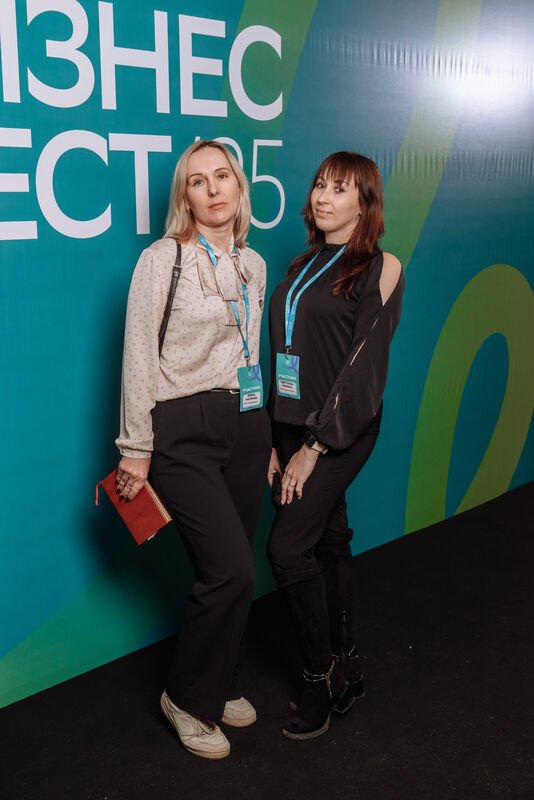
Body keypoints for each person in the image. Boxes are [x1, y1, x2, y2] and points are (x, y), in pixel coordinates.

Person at [115, 140, 271, 759]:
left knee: (231, 570)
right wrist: (136, 448)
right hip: (181, 428)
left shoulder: (253, 264)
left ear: (239, 186)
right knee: (231, 570)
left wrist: (262, 430)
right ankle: (184, 697)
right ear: (186, 195)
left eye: (223, 176)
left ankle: (221, 679)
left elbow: (250, 350)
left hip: (245, 425)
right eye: (198, 180)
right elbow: (137, 355)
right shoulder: (163, 259)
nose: (213, 189)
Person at [266, 150, 404, 740]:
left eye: (340, 188)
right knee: (327, 539)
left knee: (285, 547)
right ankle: (348, 667)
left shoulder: (380, 266)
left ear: (365, 202)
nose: (323, 197)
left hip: (339, 432)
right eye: (320, 184)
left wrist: (314, 446)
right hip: (289, 427)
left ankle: (318, 677)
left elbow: (363, 366)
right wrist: (272, 436)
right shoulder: (300, 264)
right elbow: (280, 356)